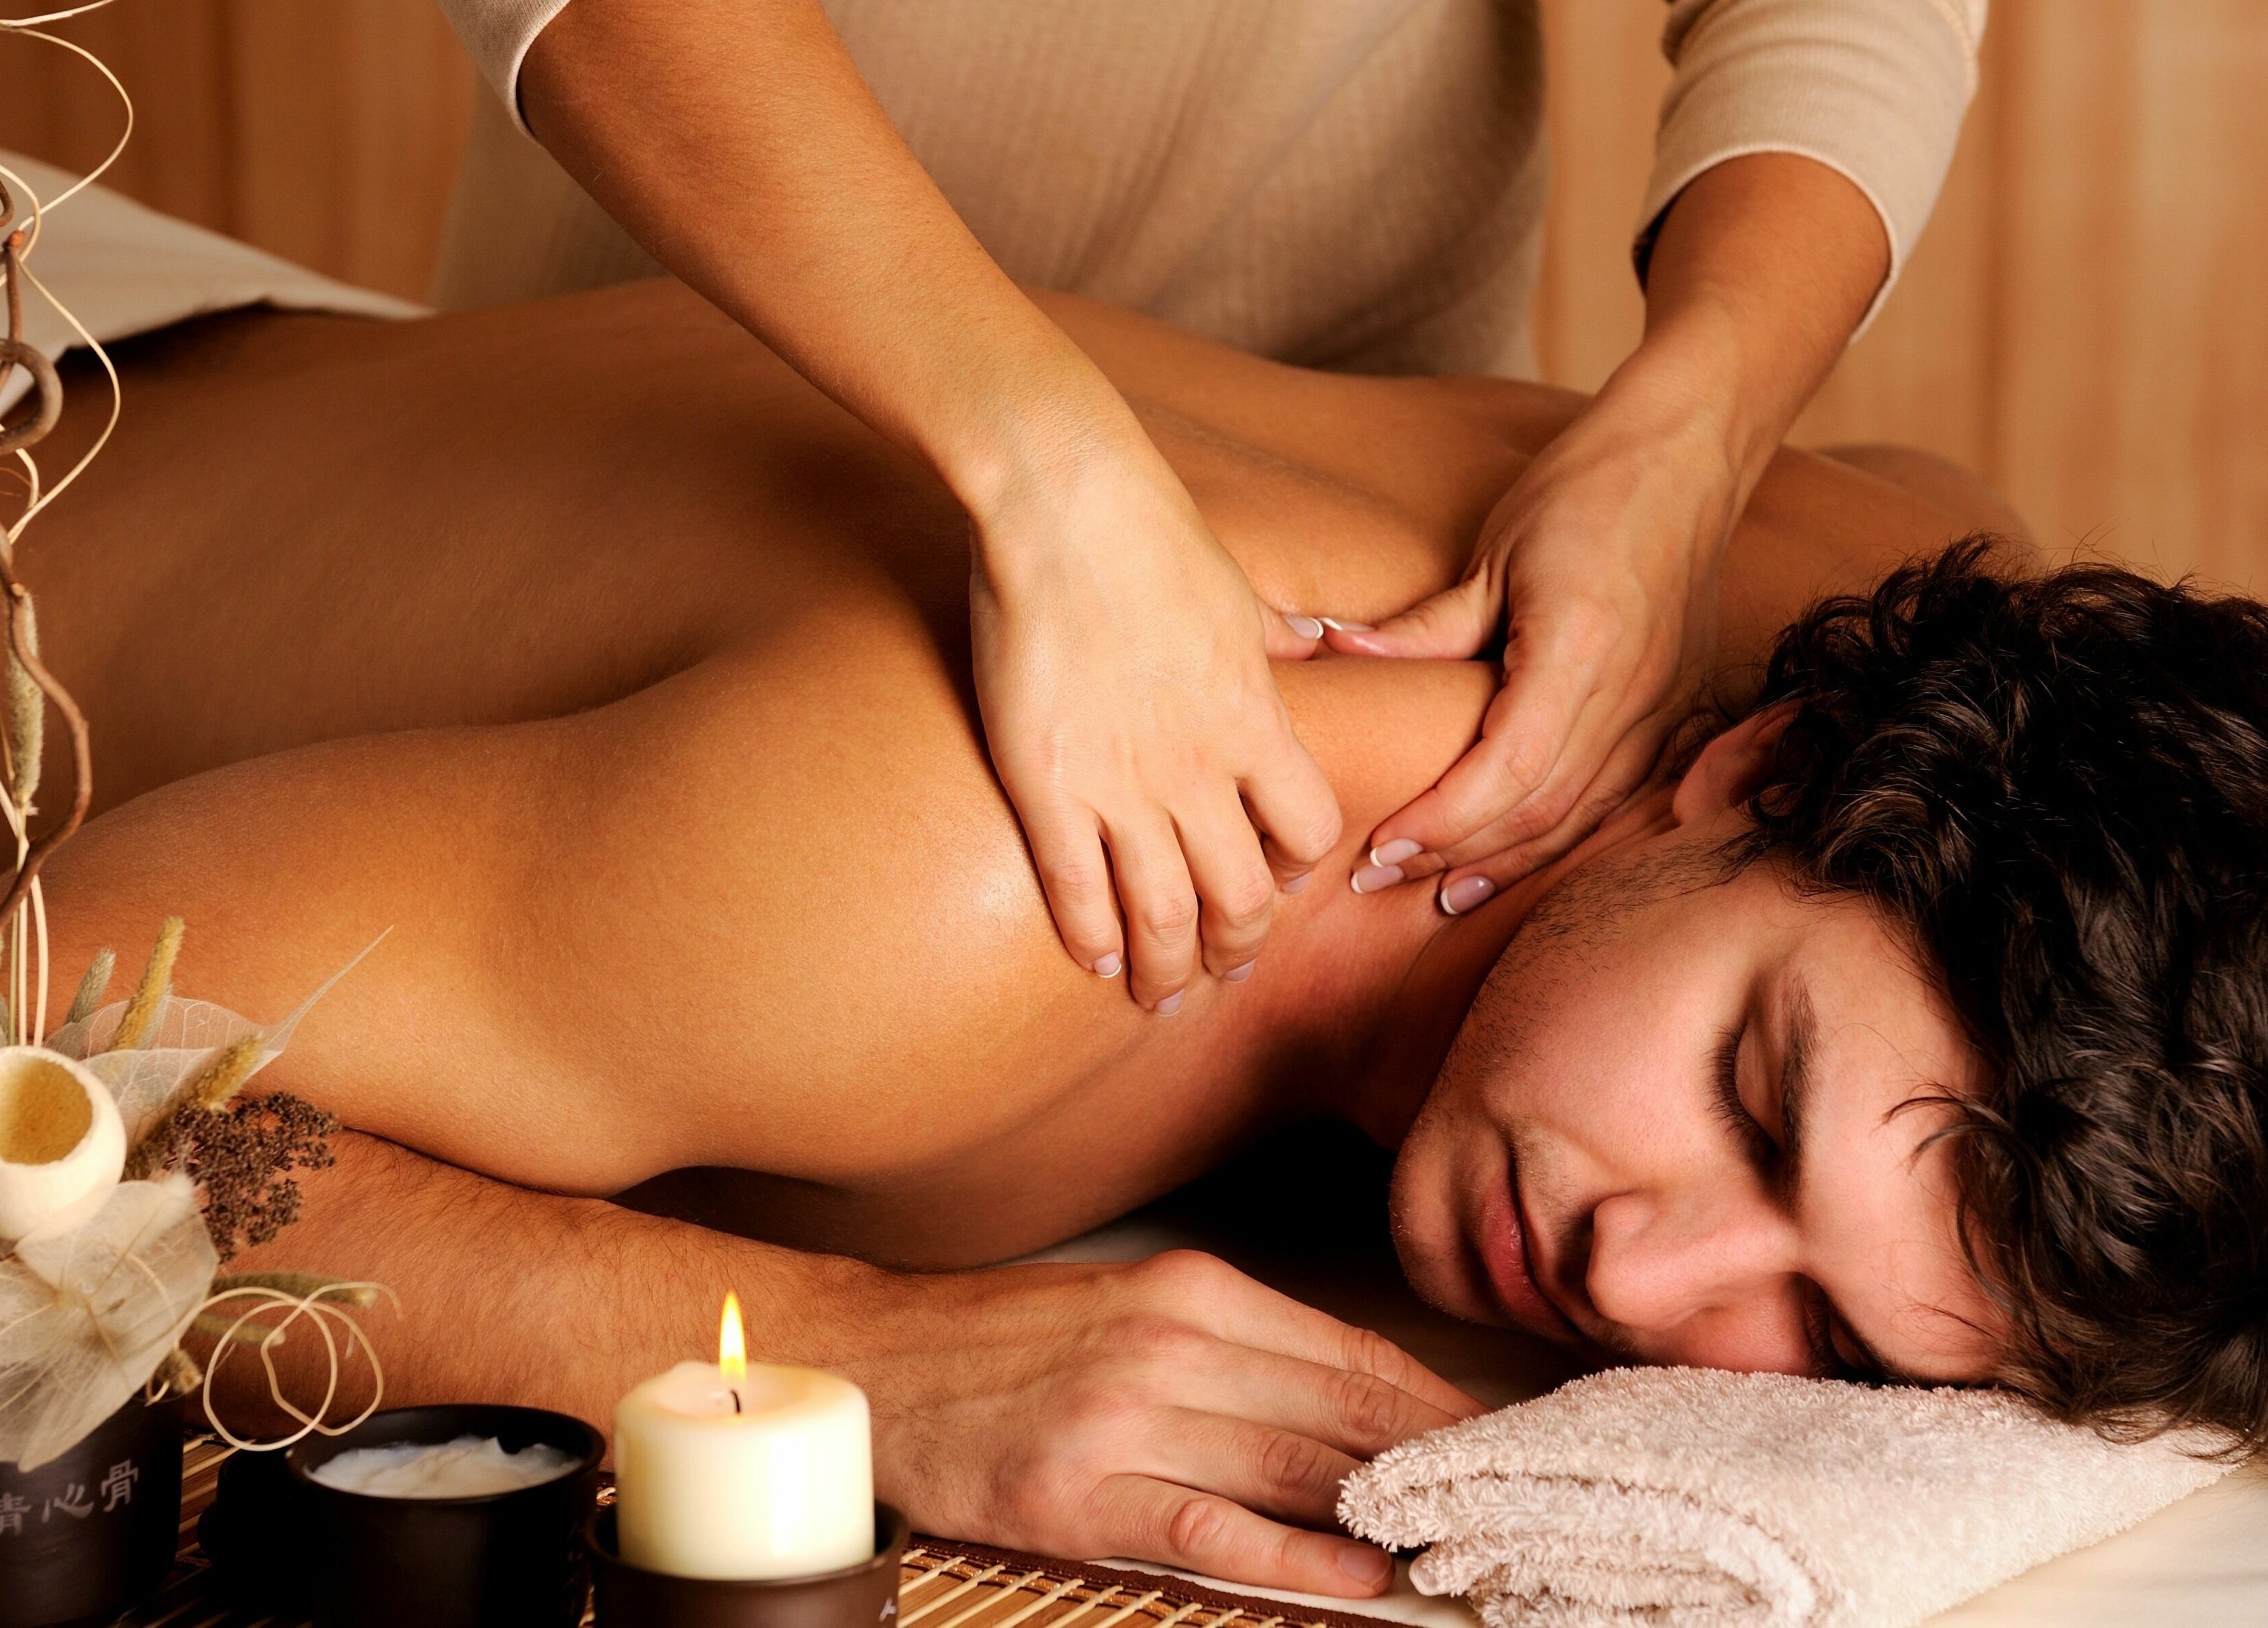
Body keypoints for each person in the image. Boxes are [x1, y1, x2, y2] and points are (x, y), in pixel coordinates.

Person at [31, 278, 2258, 1598]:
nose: (1652, 1281)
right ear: (1751, 767)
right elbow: (59, 1089)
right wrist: (827, 1359)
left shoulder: (1914, 616)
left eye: (1830, 1333)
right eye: (1752, 1105)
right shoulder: (993, 873)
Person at [424, 0, 1989, 1012]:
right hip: (666, 427)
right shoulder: (908, 862)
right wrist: (1039, 464)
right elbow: (259, 1089)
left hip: (1343, 469)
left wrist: (1692, 439)